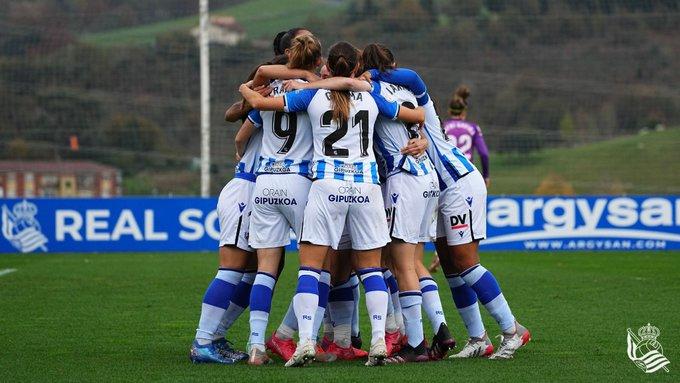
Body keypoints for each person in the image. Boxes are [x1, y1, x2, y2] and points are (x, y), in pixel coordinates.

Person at [239, 41, 425, 367]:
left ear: (328, 69)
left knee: (310, 268)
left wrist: (245, 86)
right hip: (366, 188)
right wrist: (420, 135)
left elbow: (255, 101)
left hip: (326, 188)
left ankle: (307, 341)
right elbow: (417, 113)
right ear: (355, 68)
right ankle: (380, 340)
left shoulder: (310, 95)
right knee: (371, 270)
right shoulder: (370, 96)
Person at [362, 63, 531, 360]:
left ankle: (512, 328)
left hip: (457, 185)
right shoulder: (393, 104)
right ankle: (479, 338)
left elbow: (412, 77)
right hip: (434, 191)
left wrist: (371, 76)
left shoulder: (413, 95)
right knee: (451, 269)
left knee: (466, 263)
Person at [235, 34, 325, 365]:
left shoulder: (271, 89)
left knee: (265, 269)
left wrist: (240, 153)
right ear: (317, 61)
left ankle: (255, 345)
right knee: (318, 267)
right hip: (299, 183)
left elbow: (242, 135)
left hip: (264, 183)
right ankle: (305, 338)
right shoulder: (315, 90)